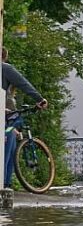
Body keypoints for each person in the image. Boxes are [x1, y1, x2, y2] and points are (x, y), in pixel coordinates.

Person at [3, 48, 47, 209]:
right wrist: (40, 99)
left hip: (5, 113)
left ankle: (6, 183)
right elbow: (23, 83)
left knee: (12, 140)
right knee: (8, 145)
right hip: (4, 116)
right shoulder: (5, 68)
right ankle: (4, 183)